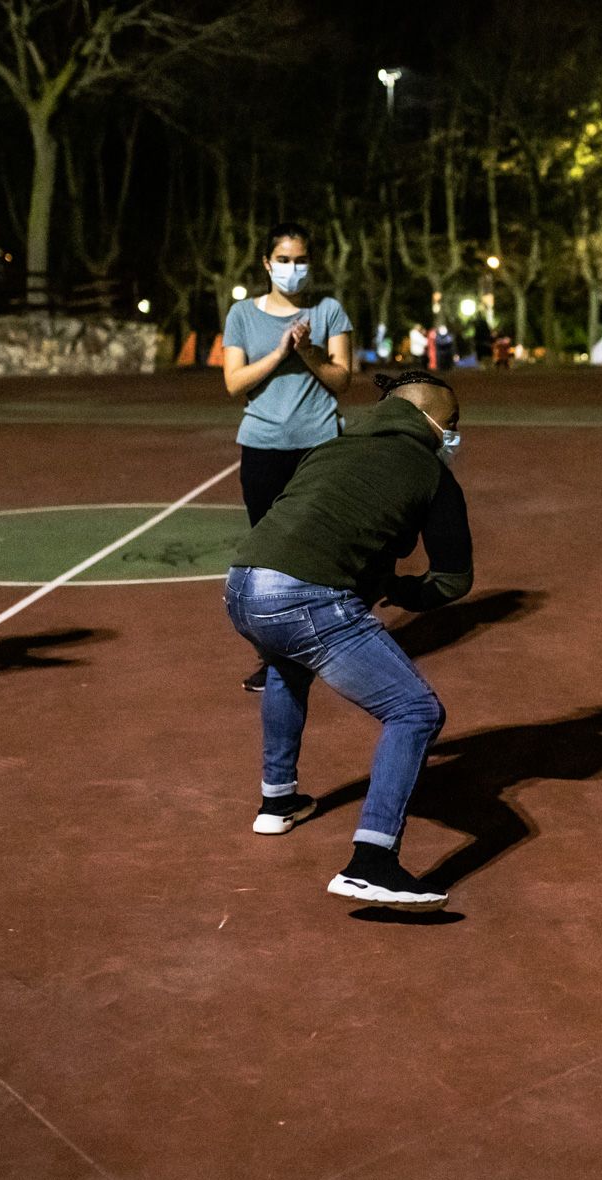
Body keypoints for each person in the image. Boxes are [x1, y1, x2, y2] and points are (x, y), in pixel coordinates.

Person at [224, 370, 471, 911]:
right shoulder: (429, 470)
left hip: (242, 585)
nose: (454, 435)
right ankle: (372, 862)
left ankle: (278, 802)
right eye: (452, 424)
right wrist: (404, 593)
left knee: (290, 667)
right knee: (415, 712)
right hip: (304, 597)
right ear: (430, 419)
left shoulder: (330, 448)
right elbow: (454, 578)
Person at [221, 221, 355, 692]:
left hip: (319, 445)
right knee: (267, 556)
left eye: (301, 261)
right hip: (261, 447)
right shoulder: (241, 314)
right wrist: (280, 352)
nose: (293, 269)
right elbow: (234, 382)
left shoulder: (329, 310)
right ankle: (275, 656)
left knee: (323, 548)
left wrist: (311, 353)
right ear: (266, 263)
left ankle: (334, 644)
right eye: (284, 260)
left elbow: (342, 380)